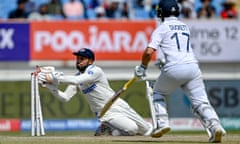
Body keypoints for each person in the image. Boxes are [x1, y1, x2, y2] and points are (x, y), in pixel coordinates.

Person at [134, 0, 226, 143]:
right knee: (201, 102)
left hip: (174, 68)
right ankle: (216, 126)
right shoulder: (184, 26)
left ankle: (162, 123)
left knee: (158, 93)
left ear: (161, 12)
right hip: (192, 67)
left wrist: (142, 67)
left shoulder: (162, 27)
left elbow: (149, 51)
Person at [38, 48, 152, 136]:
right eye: (77, 59)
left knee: (147, 130)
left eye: (82, 59)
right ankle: (109, 128)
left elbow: (77, 80)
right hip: (106, 113)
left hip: (118, 104)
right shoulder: (77, 77)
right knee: (132, 129)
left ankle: (112, 129)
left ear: (90, 61)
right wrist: (51, 87)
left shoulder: (95, 71)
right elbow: (65, 97)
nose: (78, 61)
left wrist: (54, 76)